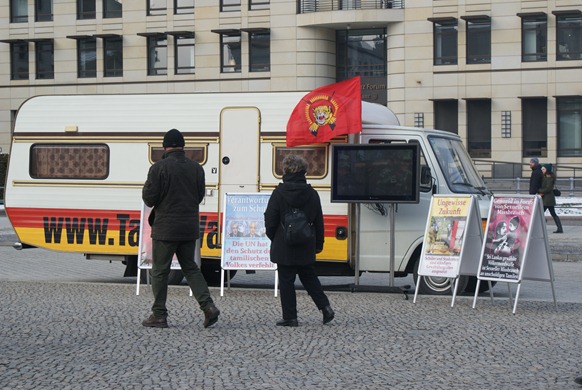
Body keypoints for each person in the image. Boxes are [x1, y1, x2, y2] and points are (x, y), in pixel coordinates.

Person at [141, 128, 220, 329]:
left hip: (165, 228)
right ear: (182, 146)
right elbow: (199, 196)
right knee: (191, 268)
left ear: (165, 147)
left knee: (159, 271)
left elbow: (149, 198)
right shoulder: (196, 168)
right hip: (188, 227)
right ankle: (208, 307)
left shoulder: (158, 168)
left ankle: (159, 315)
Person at [264, 154, 334, 327]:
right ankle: (325, 308)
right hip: (306, 242)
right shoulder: (312, 194)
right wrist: (319, 244)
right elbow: (319, 221)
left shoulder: (278, 193)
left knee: (286, 280)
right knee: (309, 277)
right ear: (304, 171)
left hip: (283, 243)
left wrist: (276, 237)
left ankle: (290, 317)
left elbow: (270, 220)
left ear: (285, 170)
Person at [539, 163, 564, 234]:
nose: (542, 170)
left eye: (543, 169)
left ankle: (543, 225)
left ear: (547, 170)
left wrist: (540, 191)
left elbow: (548, 188)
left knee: (540, 213)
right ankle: (559, 228)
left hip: (547, 199)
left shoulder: (549, 177)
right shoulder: (546, 176)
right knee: (552, 213)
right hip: (548, 199)